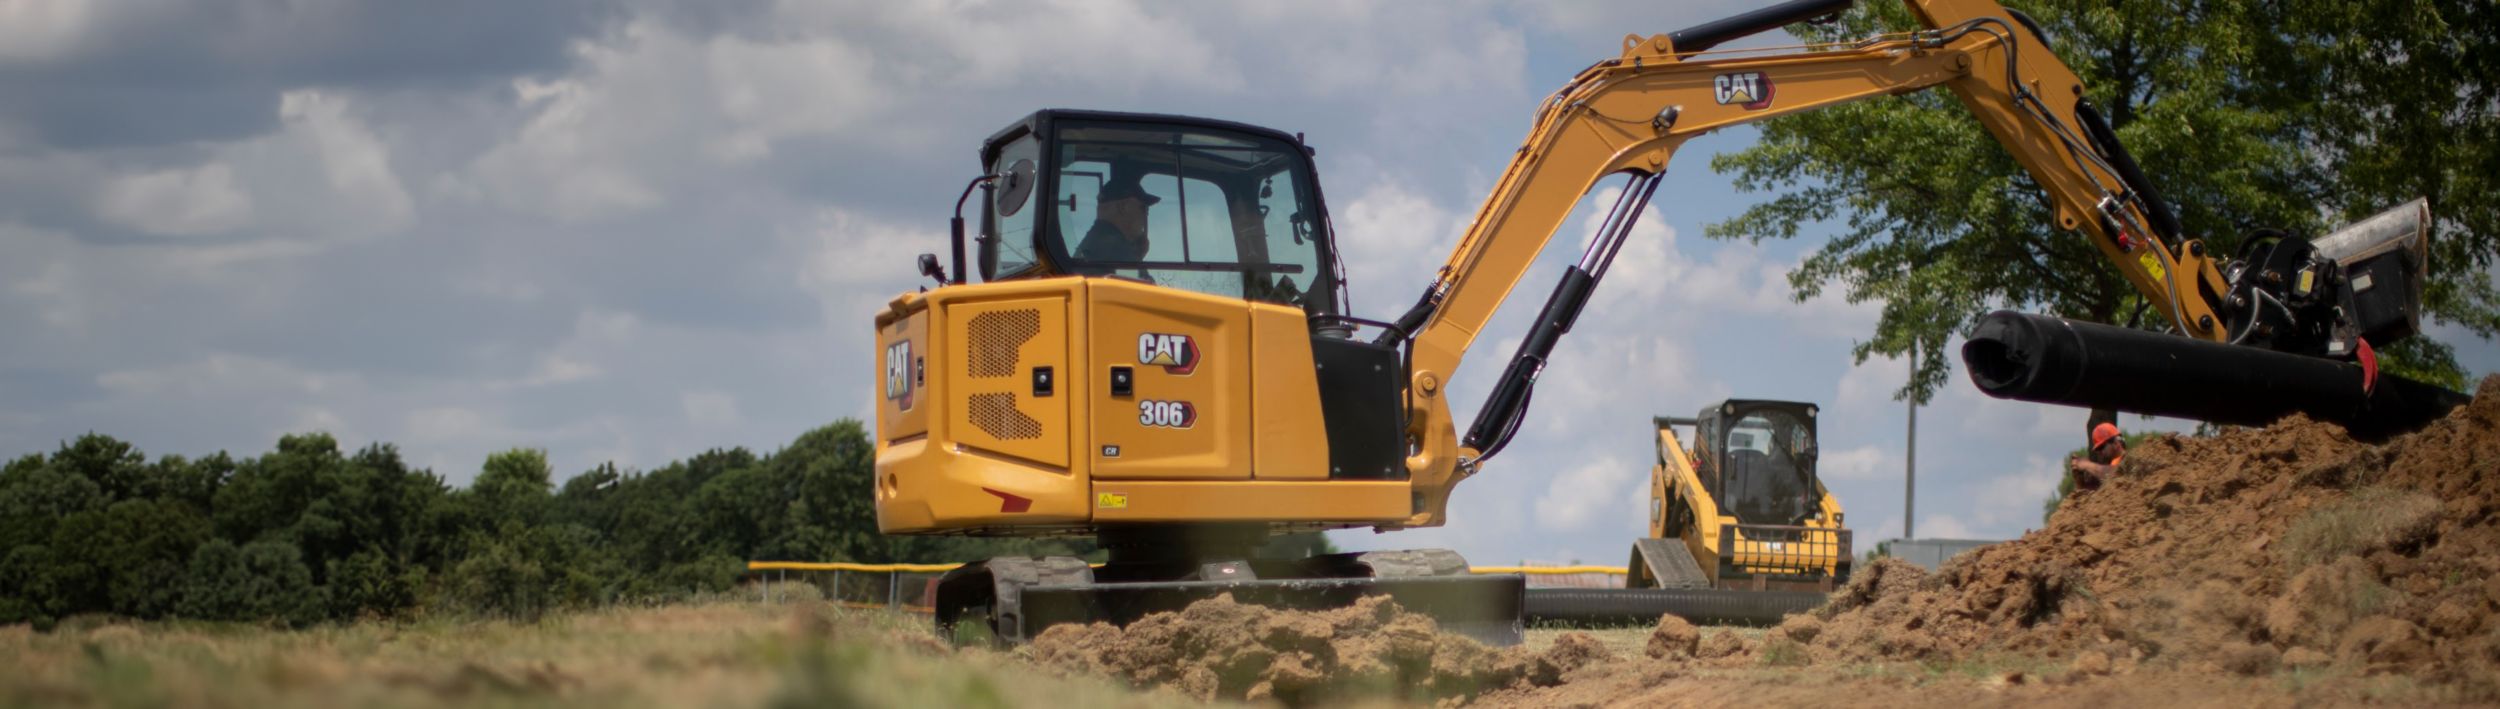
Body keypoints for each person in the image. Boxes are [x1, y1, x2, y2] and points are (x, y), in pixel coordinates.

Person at [1073, 171, 1160, 269]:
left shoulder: (1097, 242)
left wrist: (1136, 258)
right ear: (1123, 207)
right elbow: (1145, 282)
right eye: (1143, 208)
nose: (1145, 215)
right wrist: (1133, 262)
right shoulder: (1112, 247)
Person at [2068, 421, 2126, 492]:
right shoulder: (2112, 465)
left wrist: (2086, 465)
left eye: (2101, 447)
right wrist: (2080, 482)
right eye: (2098, 450)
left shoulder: (2128, 460)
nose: (2100, 452)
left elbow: (2116, 472)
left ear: (2116, 443)